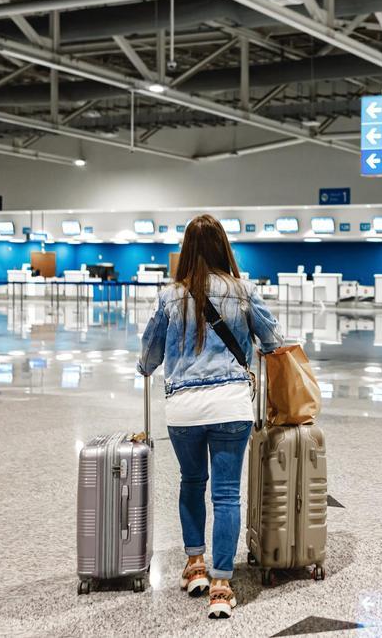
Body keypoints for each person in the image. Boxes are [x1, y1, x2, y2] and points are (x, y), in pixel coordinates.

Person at [136, 214, 281, 619]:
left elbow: (149, 356)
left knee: (191, 482)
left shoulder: (170, 296)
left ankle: (195, 564)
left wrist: (147, 368)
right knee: (226, 494)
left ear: (186, 251)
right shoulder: (244, 290)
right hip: (231, 404)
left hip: (183, 409)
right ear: (224, 247)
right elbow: (274, 342)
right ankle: (221, 584)